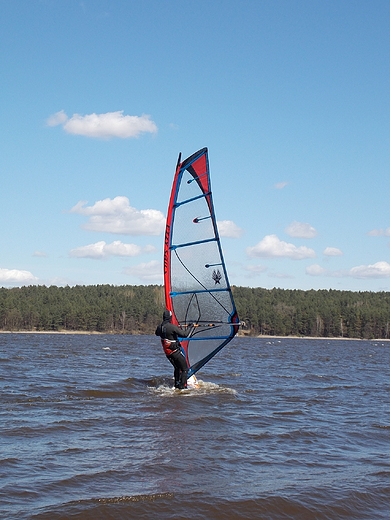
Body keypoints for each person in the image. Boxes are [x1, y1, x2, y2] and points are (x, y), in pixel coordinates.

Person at [155, 309, 193, 389]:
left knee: (177, 367)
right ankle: (182, 388)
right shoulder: (172, 327)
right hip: (175, 352)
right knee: (185, 369)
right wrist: (190, 327)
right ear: (170, 318)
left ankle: (176, 385)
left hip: (168, 354)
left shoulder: (160, 327)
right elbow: (185, 334)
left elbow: (156, 333)